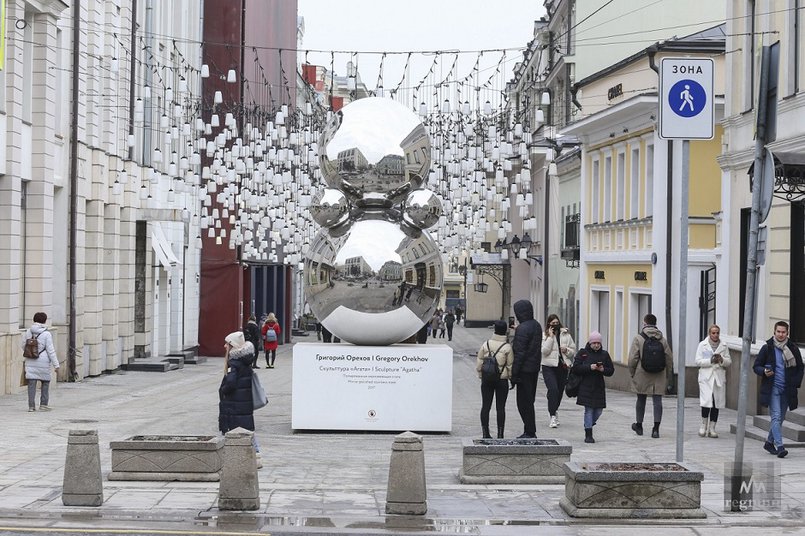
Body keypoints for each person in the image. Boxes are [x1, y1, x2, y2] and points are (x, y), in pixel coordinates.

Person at [753, 321, 804, 458]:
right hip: (772, 388)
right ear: (774, 332)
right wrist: (763, 371)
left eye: (783, 332)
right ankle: (780, 446)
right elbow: (756, 366)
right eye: (778, 332)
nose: (781, 334)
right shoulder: (767, 348)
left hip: (787, 389)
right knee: (775, 416)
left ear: (787, 333)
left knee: (780, 418)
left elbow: (800, 367)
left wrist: (795, 383)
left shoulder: (793, 348)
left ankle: (769, 442)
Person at [628, 313, 673, 438]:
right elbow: (669, 358)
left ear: (645, 323)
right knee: (657, 401)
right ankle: (656, 429)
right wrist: (667, 374)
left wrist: (632, 372)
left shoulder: (639, 338)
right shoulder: (662, 339)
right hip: (659, 374)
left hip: (642, 373)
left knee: (641, 399)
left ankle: (639, 426)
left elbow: (633, 358)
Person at [218, 331, 260, 464]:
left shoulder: (235, 364)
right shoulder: (244, 362)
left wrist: (223, 390)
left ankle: (229, 459)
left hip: (234, 406)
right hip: (243, 405)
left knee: (231, 432)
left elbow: (230, 383)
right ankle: (255, 456)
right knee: (246, 431)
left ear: (233, 346)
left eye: (227, 343)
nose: (225, 346)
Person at [571, 331, 614, 443]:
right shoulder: (583, 353)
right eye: (594, 343)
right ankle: (588, 434)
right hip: (585, 386)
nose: (596, 345)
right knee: (588, 410)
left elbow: (611, 370)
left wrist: (603, 369)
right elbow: (576, 368)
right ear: (590, 343)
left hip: (599, 386)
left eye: (598, 343)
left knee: (598, 411)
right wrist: (589, 367)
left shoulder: (604, 354)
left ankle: (589, 423)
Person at [509, 299, 543, 439]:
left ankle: (530, 431)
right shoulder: (536, 325)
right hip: (534, 368)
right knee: (529, 400)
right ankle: (529, 430)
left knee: (523, 403)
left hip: (524, 370)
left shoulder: (523, 328)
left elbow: (519, 353)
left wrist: (513, 374)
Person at [476, 320, 514, 438]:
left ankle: (485, 433)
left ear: (495, 330)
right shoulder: (507, 347)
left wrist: (481, 375)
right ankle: (500, 434)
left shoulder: (486, 344)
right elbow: (510, 366)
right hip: (501, 380)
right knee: (500, 408)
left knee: (485, 406)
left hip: (487, 379)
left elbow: (479, 362)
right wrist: (510, 379)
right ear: (505, 331)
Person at [695, 324, 732, 438]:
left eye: (717, 333)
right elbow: (698, 361)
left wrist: (722, 360)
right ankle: (703, 425)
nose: (715, 335)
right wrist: (710, 360)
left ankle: (712, 428)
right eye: (713, 333)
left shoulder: (724, 346)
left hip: (718, 377)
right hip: (706, 377)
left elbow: (729, 361)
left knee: (716, 402)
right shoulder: (703, 345)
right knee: (706, 401)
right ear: (709, 333)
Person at [541, 314, 576, 428]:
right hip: (548, 366)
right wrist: (551, 338)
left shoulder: (565, 334)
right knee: (553, 389)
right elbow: (544, 351)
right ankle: (552, 416)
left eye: (557, 323)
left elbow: (573, 350)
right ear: (549, 324)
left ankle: (554, 410)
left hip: (562, 366)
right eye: (552, 323)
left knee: (559, 392)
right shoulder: (544, 336)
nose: (555, 325)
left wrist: (567, 350)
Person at [22, 312, 60, 412]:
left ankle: (31, 406)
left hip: (30, 360)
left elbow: (23, 345)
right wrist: (56, 365)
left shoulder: (28, 332)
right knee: (45, 382)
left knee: (31, 383)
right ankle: (43, 404)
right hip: (43, 361)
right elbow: (50, 350)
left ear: (34, 320)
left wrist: (31, 352)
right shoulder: (46, 334)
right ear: (44, 321)